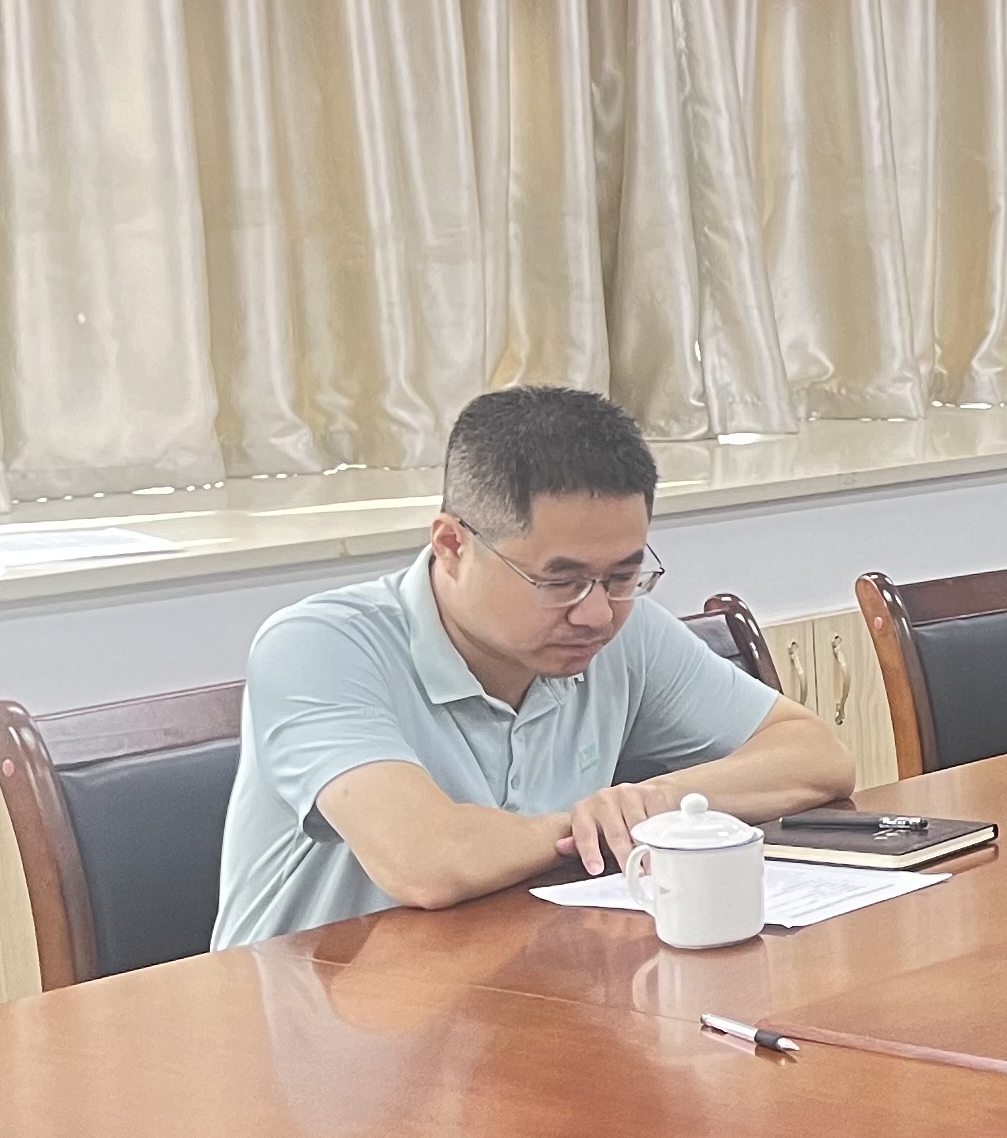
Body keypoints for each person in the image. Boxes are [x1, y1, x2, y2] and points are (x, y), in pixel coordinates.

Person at [213, 386, 859, 950]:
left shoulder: (624, 632)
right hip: (304, 1023)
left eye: (624, 575)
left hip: (515, 986)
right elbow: (429, 863)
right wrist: (590, 826)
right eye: (560, 581)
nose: (597, 614)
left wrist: (659, 803)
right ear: (452, 545)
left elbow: (815, 757)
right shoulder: (318, 646)